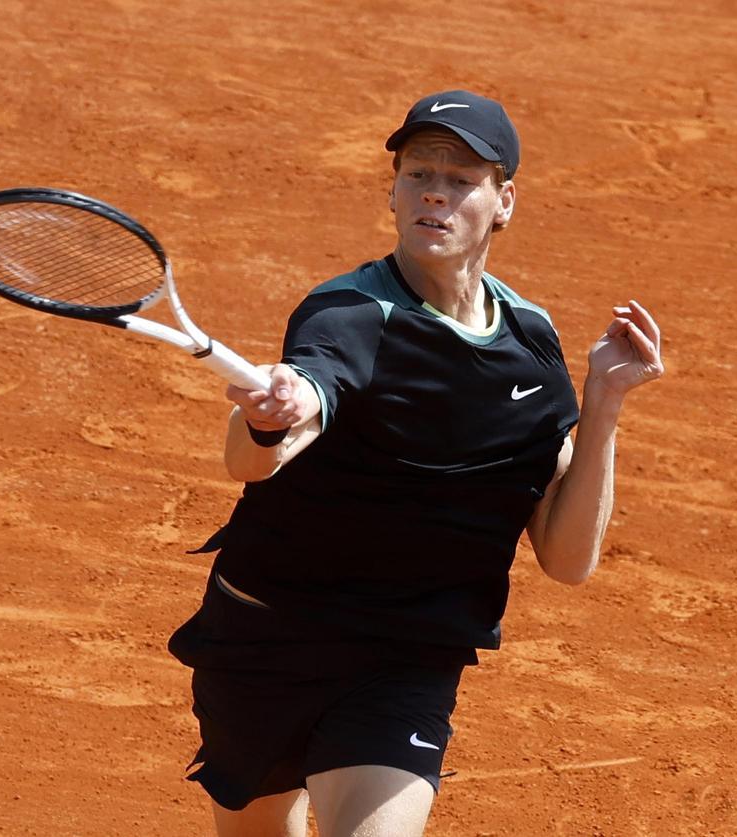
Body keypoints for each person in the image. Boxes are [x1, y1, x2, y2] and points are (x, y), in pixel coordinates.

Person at [168, 89, 665, 837]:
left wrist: (603, 408)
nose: (434, 188)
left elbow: (566, 558)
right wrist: (268, 417)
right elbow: (257, 458)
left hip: (405, 657)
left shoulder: (530, 339)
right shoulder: (346, 316)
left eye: (461, 177)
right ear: (394, 193)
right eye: (417, 172)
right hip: (269, 640)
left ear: (504, 202)